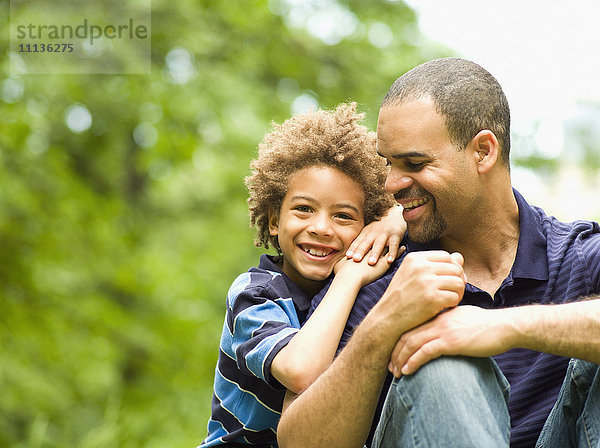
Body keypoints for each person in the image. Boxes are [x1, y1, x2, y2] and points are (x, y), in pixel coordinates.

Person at [277, 58, 600, 448]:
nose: (391, 184)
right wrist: (382, 328)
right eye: (387, 163)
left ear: (483, 152)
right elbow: (297, 441)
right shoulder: (375, 273)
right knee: (442, 360)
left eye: (414, 163)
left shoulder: (580, 255)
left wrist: (499, 327)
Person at [199, 103, 406, 447]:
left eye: (343, 216)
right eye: (304, 209)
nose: (321, 228)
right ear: (274, 221)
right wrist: (349, 278)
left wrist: (394, 218)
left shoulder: (365, 292)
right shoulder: (255, 293)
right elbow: (301, 371)